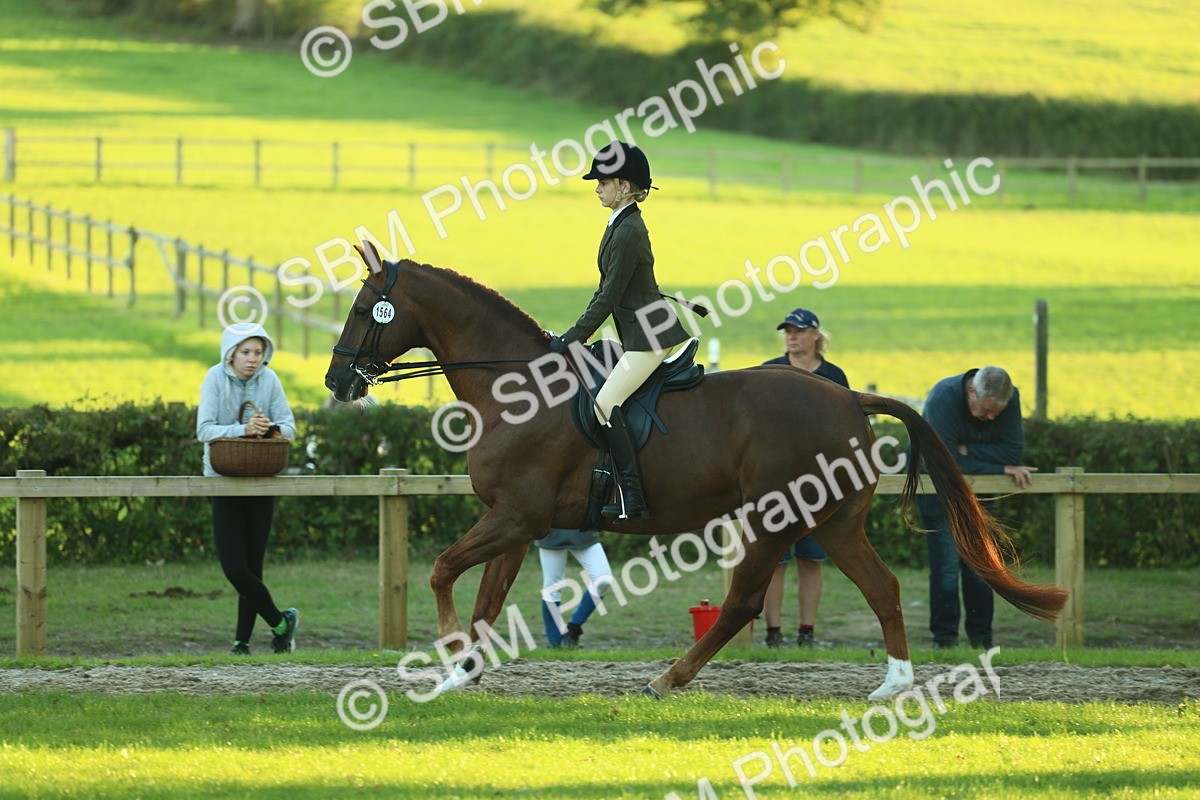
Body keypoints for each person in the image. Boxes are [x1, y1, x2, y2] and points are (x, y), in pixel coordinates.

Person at [548, 141, 690, 522]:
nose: (596, 187)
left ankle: (633, 495)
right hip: (638, 332)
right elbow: (605, 290)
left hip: (650, 336)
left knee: (603, 404)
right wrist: (572, 335)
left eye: (603, 182)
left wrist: (570, 339)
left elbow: (608, 296)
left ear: (625, 187)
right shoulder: (619, 224)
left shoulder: (628, 231)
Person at [918, 365, 1037, 649]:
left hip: (979, 495)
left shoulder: (1007, 397)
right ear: (971, 391)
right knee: (946, 569)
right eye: (986, 410)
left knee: (982, 568)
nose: (993, 417)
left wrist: (967, 451)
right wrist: (995, 465)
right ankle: (944, 641)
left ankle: (982, 641)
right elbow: (944, 460)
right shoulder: (942, 398)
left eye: (997, 412)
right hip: (939, 493)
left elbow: (1012, 453)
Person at [197, 324, 299, 655]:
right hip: (222, 480)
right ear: (231, 353)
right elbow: (204, 430)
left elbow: (290, 428)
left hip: (260, 480)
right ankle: (281, 622)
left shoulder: (270, 380)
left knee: (253, 567)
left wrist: (267, 427)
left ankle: (241, 643)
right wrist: (243, 428)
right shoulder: (213, 378)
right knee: (235, 568)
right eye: (245, 353)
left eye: (257, 353)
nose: (252, 360)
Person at [761, 308, 850, 647]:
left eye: (798, 330)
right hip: (774, 485)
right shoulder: (769, 372)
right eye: (787, 331)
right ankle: (773, 633)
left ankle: (807, 633)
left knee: (811, 560)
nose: (792, 336)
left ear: (816, 335)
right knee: (775, 561)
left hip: (819, 486)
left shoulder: (834, 376)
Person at [536, 528, 613, 648]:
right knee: (552, 589)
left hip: (584, 531)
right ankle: (555, 644)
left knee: (603, 578)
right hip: (552, 533)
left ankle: (573, 628)